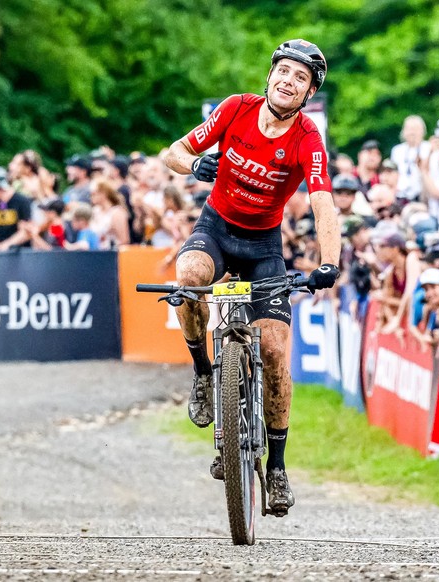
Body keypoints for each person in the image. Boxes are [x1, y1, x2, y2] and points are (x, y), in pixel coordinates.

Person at [163, 39, 341, 515]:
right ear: (270, 76)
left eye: (300, 77)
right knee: (189, 277)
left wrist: (330, 261)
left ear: (308, 94)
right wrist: (193, 164)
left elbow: (323, 202)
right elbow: (174, 151)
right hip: (216, 230)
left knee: (275, 351)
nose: (288, 80)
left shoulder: (307, 138)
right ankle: (203, 373)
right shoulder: (235, 109)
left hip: (264, 247)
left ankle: (278, 468)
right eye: (283, 71)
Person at [390, 115, 430, 203]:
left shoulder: (428, 148)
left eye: (416, 129)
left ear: (423, 131)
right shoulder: (397, 150)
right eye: (409, 128)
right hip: (400, 194)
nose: (412, 132)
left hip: (422, 193)